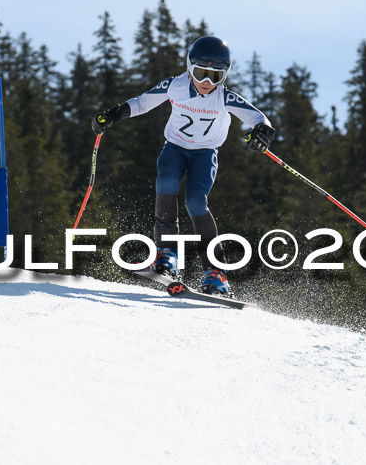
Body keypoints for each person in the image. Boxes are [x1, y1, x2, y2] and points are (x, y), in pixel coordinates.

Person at [91, 35, 275, 297]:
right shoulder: (175, 86)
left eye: (215, 76)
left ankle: (216, 272)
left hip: (205, 155)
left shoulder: (224, 98)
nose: (206, 82)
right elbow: (143, 102)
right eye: (201, 73)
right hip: (175, 148)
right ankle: (167, 255)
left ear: (225, 76)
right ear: (190, 68)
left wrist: (262, 132)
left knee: (196, 202)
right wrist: (113, 115)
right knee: (165, 183)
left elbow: (259, 117)